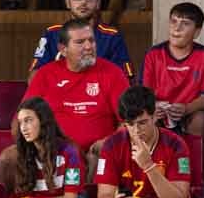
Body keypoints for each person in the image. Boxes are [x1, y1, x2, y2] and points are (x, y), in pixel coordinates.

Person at [94, 85, 190, 198]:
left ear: (154, 117)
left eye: (142, 123)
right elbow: (103, 195)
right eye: (130, 124)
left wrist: (148, 166)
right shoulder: (112, 144)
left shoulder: (176, 145)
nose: (136, 131)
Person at [24, 18, 129, 164]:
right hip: (51, 149)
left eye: (91, 41)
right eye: (80, 42)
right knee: (8, 158)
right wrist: (38, 144)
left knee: (93, 158)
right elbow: (23, 117)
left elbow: (129, 121)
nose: (88, 47)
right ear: (63, 49)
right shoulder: (45, 74)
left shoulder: (113, 73)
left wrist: (108, 142)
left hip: (96, 152)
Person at [4, 97, 82, 198]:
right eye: (20, 122)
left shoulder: (70, 152)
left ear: (43, 121)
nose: (23, 127)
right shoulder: (18, 155)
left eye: (28, 120)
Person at [29, 0, 132, 81]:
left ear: (98, 3)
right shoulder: (51, 34)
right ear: (67, 2)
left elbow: (125, 79)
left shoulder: (111, 36)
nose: (84, 2)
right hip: (59, 95)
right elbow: (34, 77)